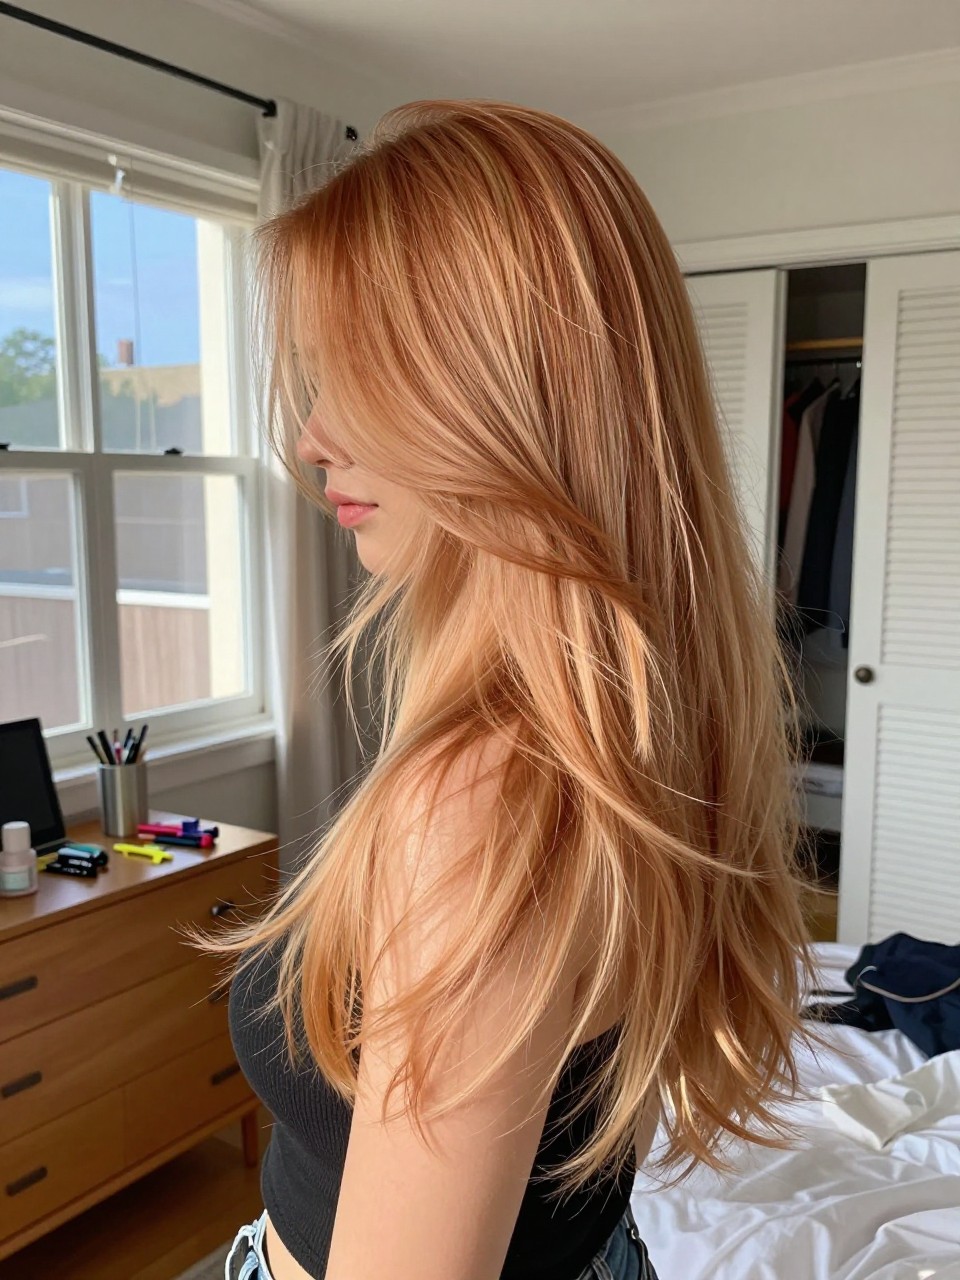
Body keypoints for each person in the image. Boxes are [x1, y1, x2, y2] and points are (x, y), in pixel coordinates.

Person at [193, 99, 814, 1280]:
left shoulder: (483, 795)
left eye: (361, 376)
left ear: (499, 396)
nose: (313, 435)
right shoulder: (625, 722)